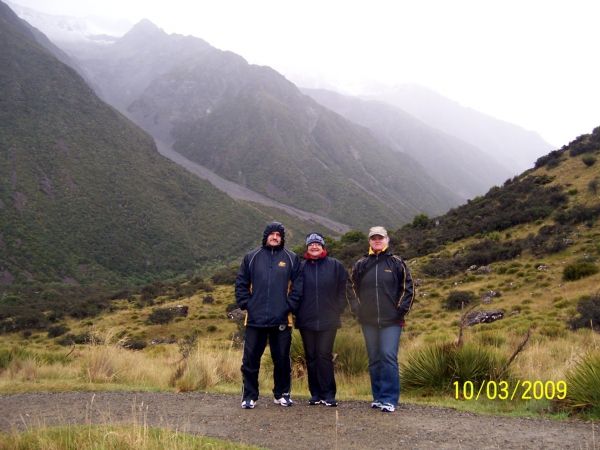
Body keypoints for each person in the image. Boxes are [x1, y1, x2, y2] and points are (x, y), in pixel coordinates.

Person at [235, 221, 303, 409]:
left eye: (278, 235)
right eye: (271, 234)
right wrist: (246, 304)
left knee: (281, 359)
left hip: (281, 318)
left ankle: (281, 394)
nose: (275, 237)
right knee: (250, 360)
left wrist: (289, 306)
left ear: (282, 238)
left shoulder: (291, 258)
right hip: (255, 319)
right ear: (266, 237)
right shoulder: (251, 257)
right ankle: (249, 396)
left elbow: (298, 286)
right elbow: (241, 283)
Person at [348, 226, 414, 413]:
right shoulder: (360, 264)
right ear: (369, 241)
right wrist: (357, 311)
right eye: (374, 238)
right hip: (368, 321)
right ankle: (377, 397)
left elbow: (407, 287)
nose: (377, 240)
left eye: (380, 238)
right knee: (374, 358)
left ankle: (390, 398)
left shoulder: (397, 263)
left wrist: (401, 310)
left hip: (392, 320)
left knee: (388, 356)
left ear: (387, 240)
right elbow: (351, 289)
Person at [295, 233, 349, 407]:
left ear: (323, 247)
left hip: (328, 320)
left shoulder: (335, 265)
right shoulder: (300, 267)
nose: (314, 247)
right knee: (310, 356)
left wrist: (338, 308)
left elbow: (344, 289)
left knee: (324, 355)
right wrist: (297, 311)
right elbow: (293, 290)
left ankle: (329, 394)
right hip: (306, 320)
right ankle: (315, 394)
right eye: (311, 244)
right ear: (307, 248)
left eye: (318, 244)